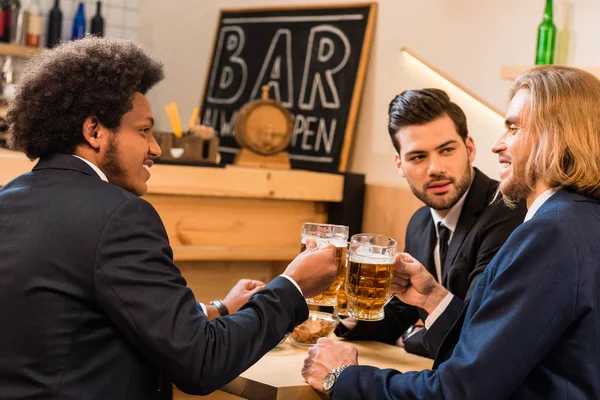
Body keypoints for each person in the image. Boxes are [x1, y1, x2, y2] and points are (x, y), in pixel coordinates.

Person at [0, 37, 337, 399]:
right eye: (144, 130)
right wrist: (293, 286)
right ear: (94, 131)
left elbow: (79, 317)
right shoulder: (119, 216)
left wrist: (219, 309)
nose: (155, 148)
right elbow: (202, 362)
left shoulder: (9, 197)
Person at [303, 65, 600, 399]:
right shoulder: (579, 221)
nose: (498, 145)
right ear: (399, 164)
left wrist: (341, 378)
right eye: (417, 156)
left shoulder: (548, 232)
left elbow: (461, 390)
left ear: (556, 134)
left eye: (513, 128)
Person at [337, 88, 525, 358]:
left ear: (470, 148)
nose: (435, 168)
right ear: (399, 165)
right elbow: (403, 309)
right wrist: (349, 308)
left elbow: (478, 332)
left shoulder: (507, 210)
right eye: (418, 157)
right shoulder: (420, 222)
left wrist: (412, 338)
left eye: (447, 150)